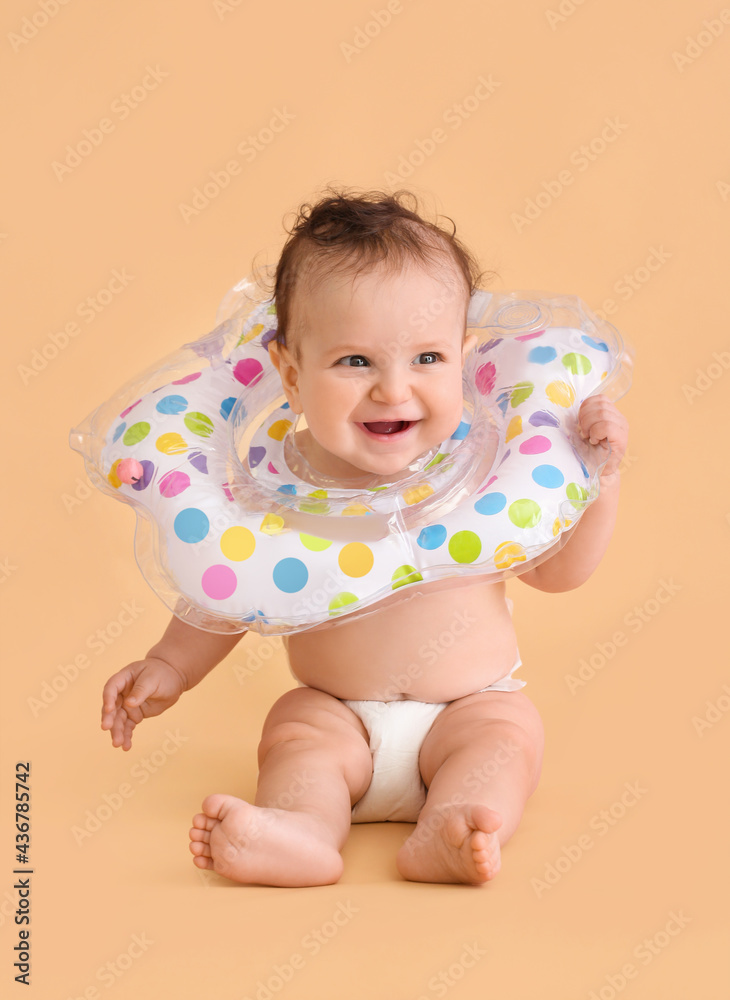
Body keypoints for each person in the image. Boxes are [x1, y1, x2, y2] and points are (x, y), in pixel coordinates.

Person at [100, 189, 629, 887]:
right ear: (290, 374)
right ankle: (302, 829)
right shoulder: (272, 481)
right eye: (356, 362)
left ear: (463, 358)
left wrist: (598, 478)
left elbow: (557, 572)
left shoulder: (484, 464)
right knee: (295, 735)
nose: (393, 389)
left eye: (427, 357)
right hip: (336, 711)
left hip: (468, 706)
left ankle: (451, 827)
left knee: (509, 736)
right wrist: (170, 665)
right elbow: (230, 581)